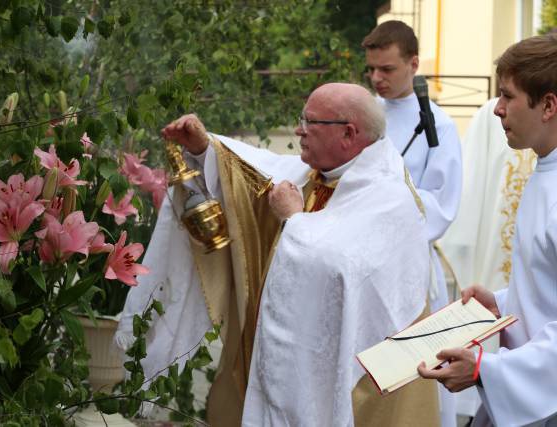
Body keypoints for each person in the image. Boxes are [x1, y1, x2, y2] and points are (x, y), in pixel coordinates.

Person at [116, 83, 439, 426]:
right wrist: (204, 148)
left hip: (357, 384)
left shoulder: (390, 195)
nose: (299, 129)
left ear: (348, 133)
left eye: (310, 121)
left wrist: (293, 221)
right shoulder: (315, 174)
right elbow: (255, 172)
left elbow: (341, 267)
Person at [418, 34, 557, 427]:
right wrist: (503, 301)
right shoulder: (545, 167)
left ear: (548, 105)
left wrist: (485, 370)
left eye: (507, 96)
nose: (496, 109)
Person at [362, 20, 463, 427]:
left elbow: (441, 204)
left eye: (386, 69)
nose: (376, 78)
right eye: (371, 69)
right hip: (363, 263)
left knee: (413, 372)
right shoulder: (365, 116)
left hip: (408, 264)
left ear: (414, 64)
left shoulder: (438, 126)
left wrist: (384, 207)